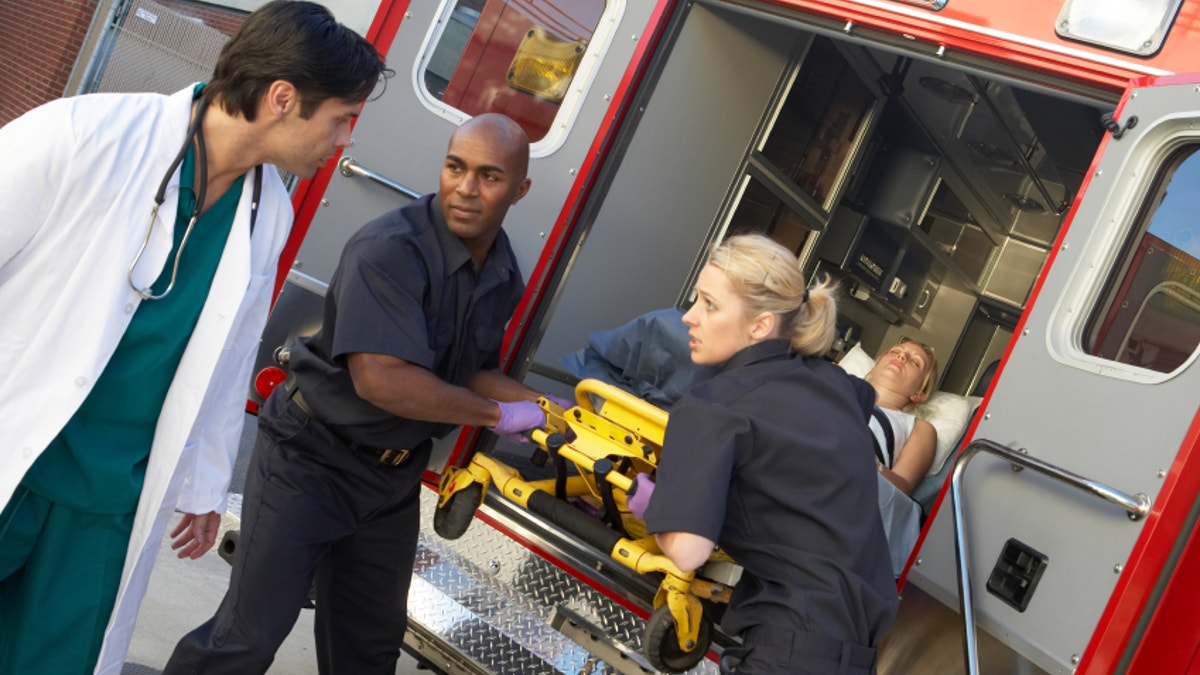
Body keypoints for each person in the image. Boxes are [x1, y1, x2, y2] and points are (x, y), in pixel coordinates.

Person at [0, 3, 389, 673]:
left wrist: (206, 486)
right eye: (340, 119)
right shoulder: (81, 136)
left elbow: (229, 356)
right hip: (17, 451)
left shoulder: (268, 210)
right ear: (282, 98)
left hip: (107, 501)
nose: (345, 139)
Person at [164, 112, 559, 675]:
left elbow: (466, 369)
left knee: (369, 650)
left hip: (390, 480)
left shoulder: (500, 269)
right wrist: (498, 413)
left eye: (489, 177)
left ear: (519, 189)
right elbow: (383, 378)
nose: (466, 189)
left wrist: (545, 410)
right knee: (249, 637)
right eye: (455, 168)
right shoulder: (389, 250)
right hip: (310, 461)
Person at [634, 234, 898, 674]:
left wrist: (657, 504)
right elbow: (857, 402)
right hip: (854, 659)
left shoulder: (713, 409)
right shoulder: (840, 388)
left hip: (788, 653)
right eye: (696, 300)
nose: (689, 317)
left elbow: (688, 552)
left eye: (710, 305)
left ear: (760, 326)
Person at [865, 339, 939, 497]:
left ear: (919, 393)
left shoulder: (919, 428)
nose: (901, 356)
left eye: (915, 362)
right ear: (873, 369)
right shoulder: (839, 386)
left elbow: (902, 488)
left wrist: (865, 459)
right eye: (894, 351)